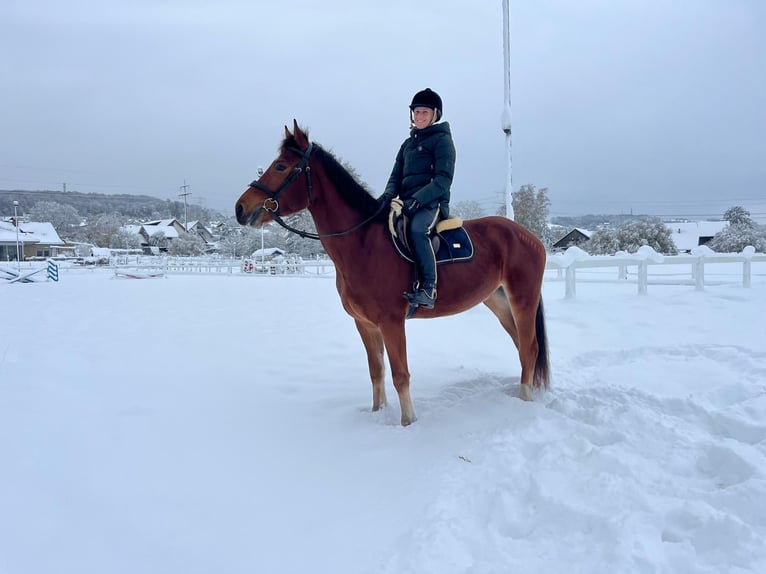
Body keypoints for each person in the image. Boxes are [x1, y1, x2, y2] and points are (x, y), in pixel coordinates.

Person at [378, 88, 456, 309]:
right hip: (406, 202)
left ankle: (428, 288)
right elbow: (395, 175)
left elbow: (443, 179)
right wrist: (387, 197)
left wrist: (417, 200)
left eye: (424, 112)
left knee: (417, 230)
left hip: (432, 203)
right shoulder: (407, 144)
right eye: (416, 112)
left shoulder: (442, 141)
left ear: (435, 115)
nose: (419, 117)